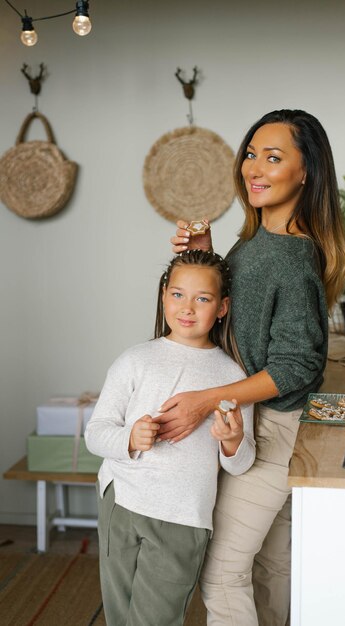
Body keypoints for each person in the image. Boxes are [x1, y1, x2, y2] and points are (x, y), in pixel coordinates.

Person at [157, 109, 345, 625]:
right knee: (270, 567)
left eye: (273, 157)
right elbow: (241, 323)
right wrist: (206, 258)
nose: (255, 168)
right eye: (250, 154)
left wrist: (204, 401)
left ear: (306, 172)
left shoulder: (290, 255)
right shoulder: (256, 242)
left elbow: (296, 367)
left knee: (222, 576)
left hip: (271, 434)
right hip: (264, 429)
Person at [85, 250, 255, 626]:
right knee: (118, 615)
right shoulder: (135, 360)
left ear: (222, 307)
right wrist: (130, 437)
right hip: (122, 504)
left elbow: (242, 462)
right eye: (178, 294)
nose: (188, 308)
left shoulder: (233, 378)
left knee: (154, 620)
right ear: (163, 295)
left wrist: (232, 440)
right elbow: (95, 434)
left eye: (203, 298)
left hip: (183, 518)